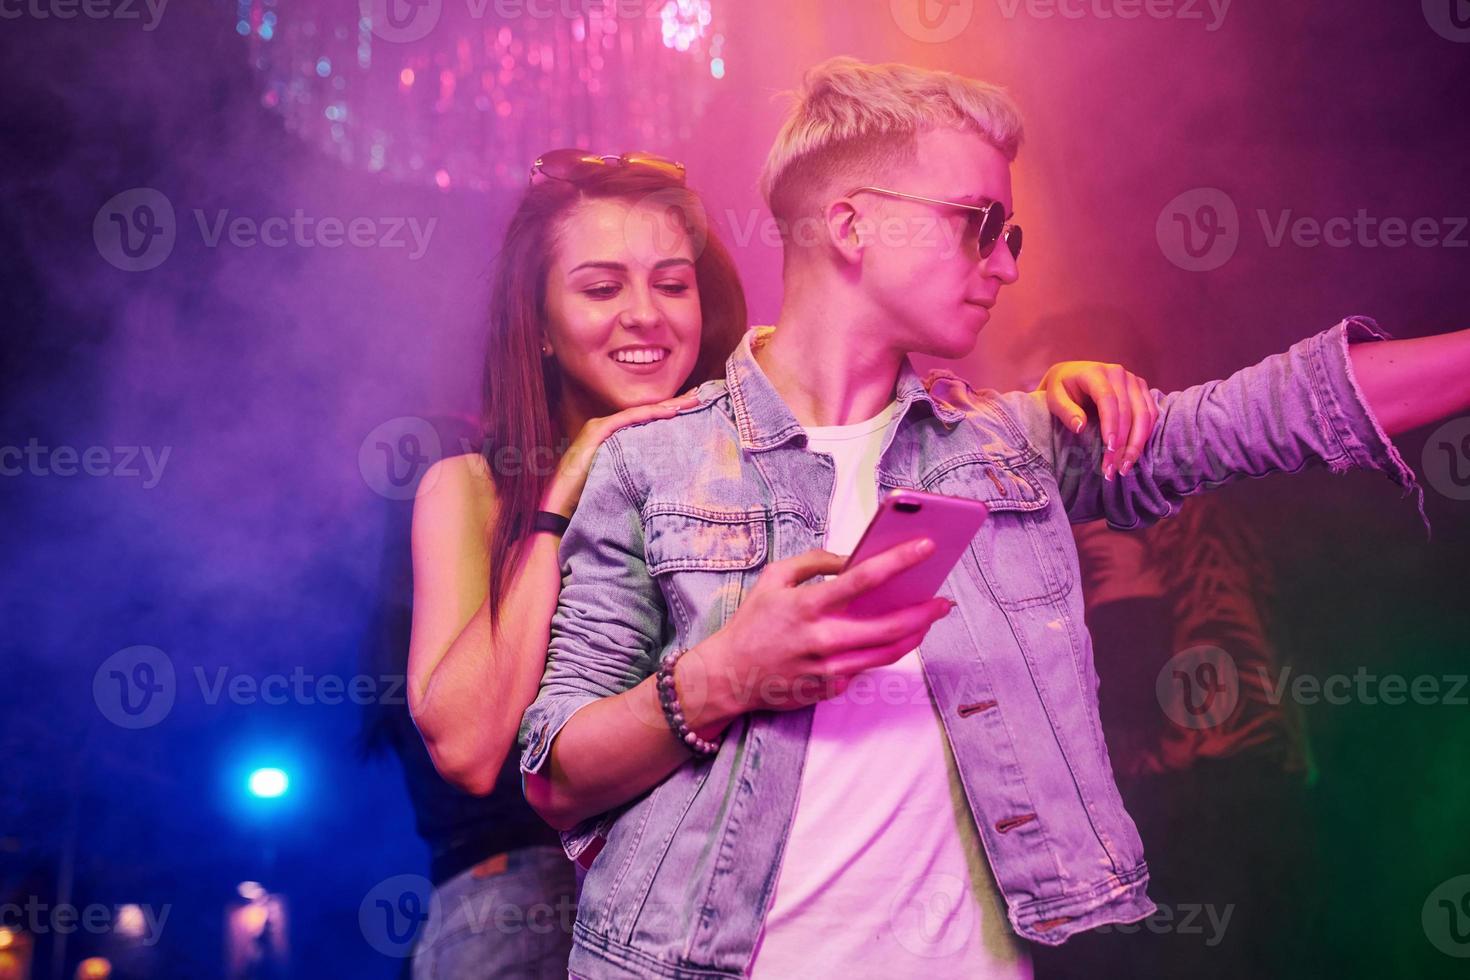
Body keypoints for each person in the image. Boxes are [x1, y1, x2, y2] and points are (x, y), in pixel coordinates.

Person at [518, 57, 1463, 980]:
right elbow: (554, 776)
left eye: (1013, 235)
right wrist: (725, 675)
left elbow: (1269, 413)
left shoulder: (1015, 445)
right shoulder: (649, 459)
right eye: (981, 225)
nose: (1006, 263)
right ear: (851, 225)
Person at [403, 150, 1142, 975]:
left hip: (713, 912)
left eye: (673, 284)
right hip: (516, 901)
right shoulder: (468, 488)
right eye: (602, 288)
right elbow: (467, 749)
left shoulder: (751, 454)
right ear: (537, 321)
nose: (645, 315)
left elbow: (904, 436)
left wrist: (1051, 402)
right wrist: (561, 490)